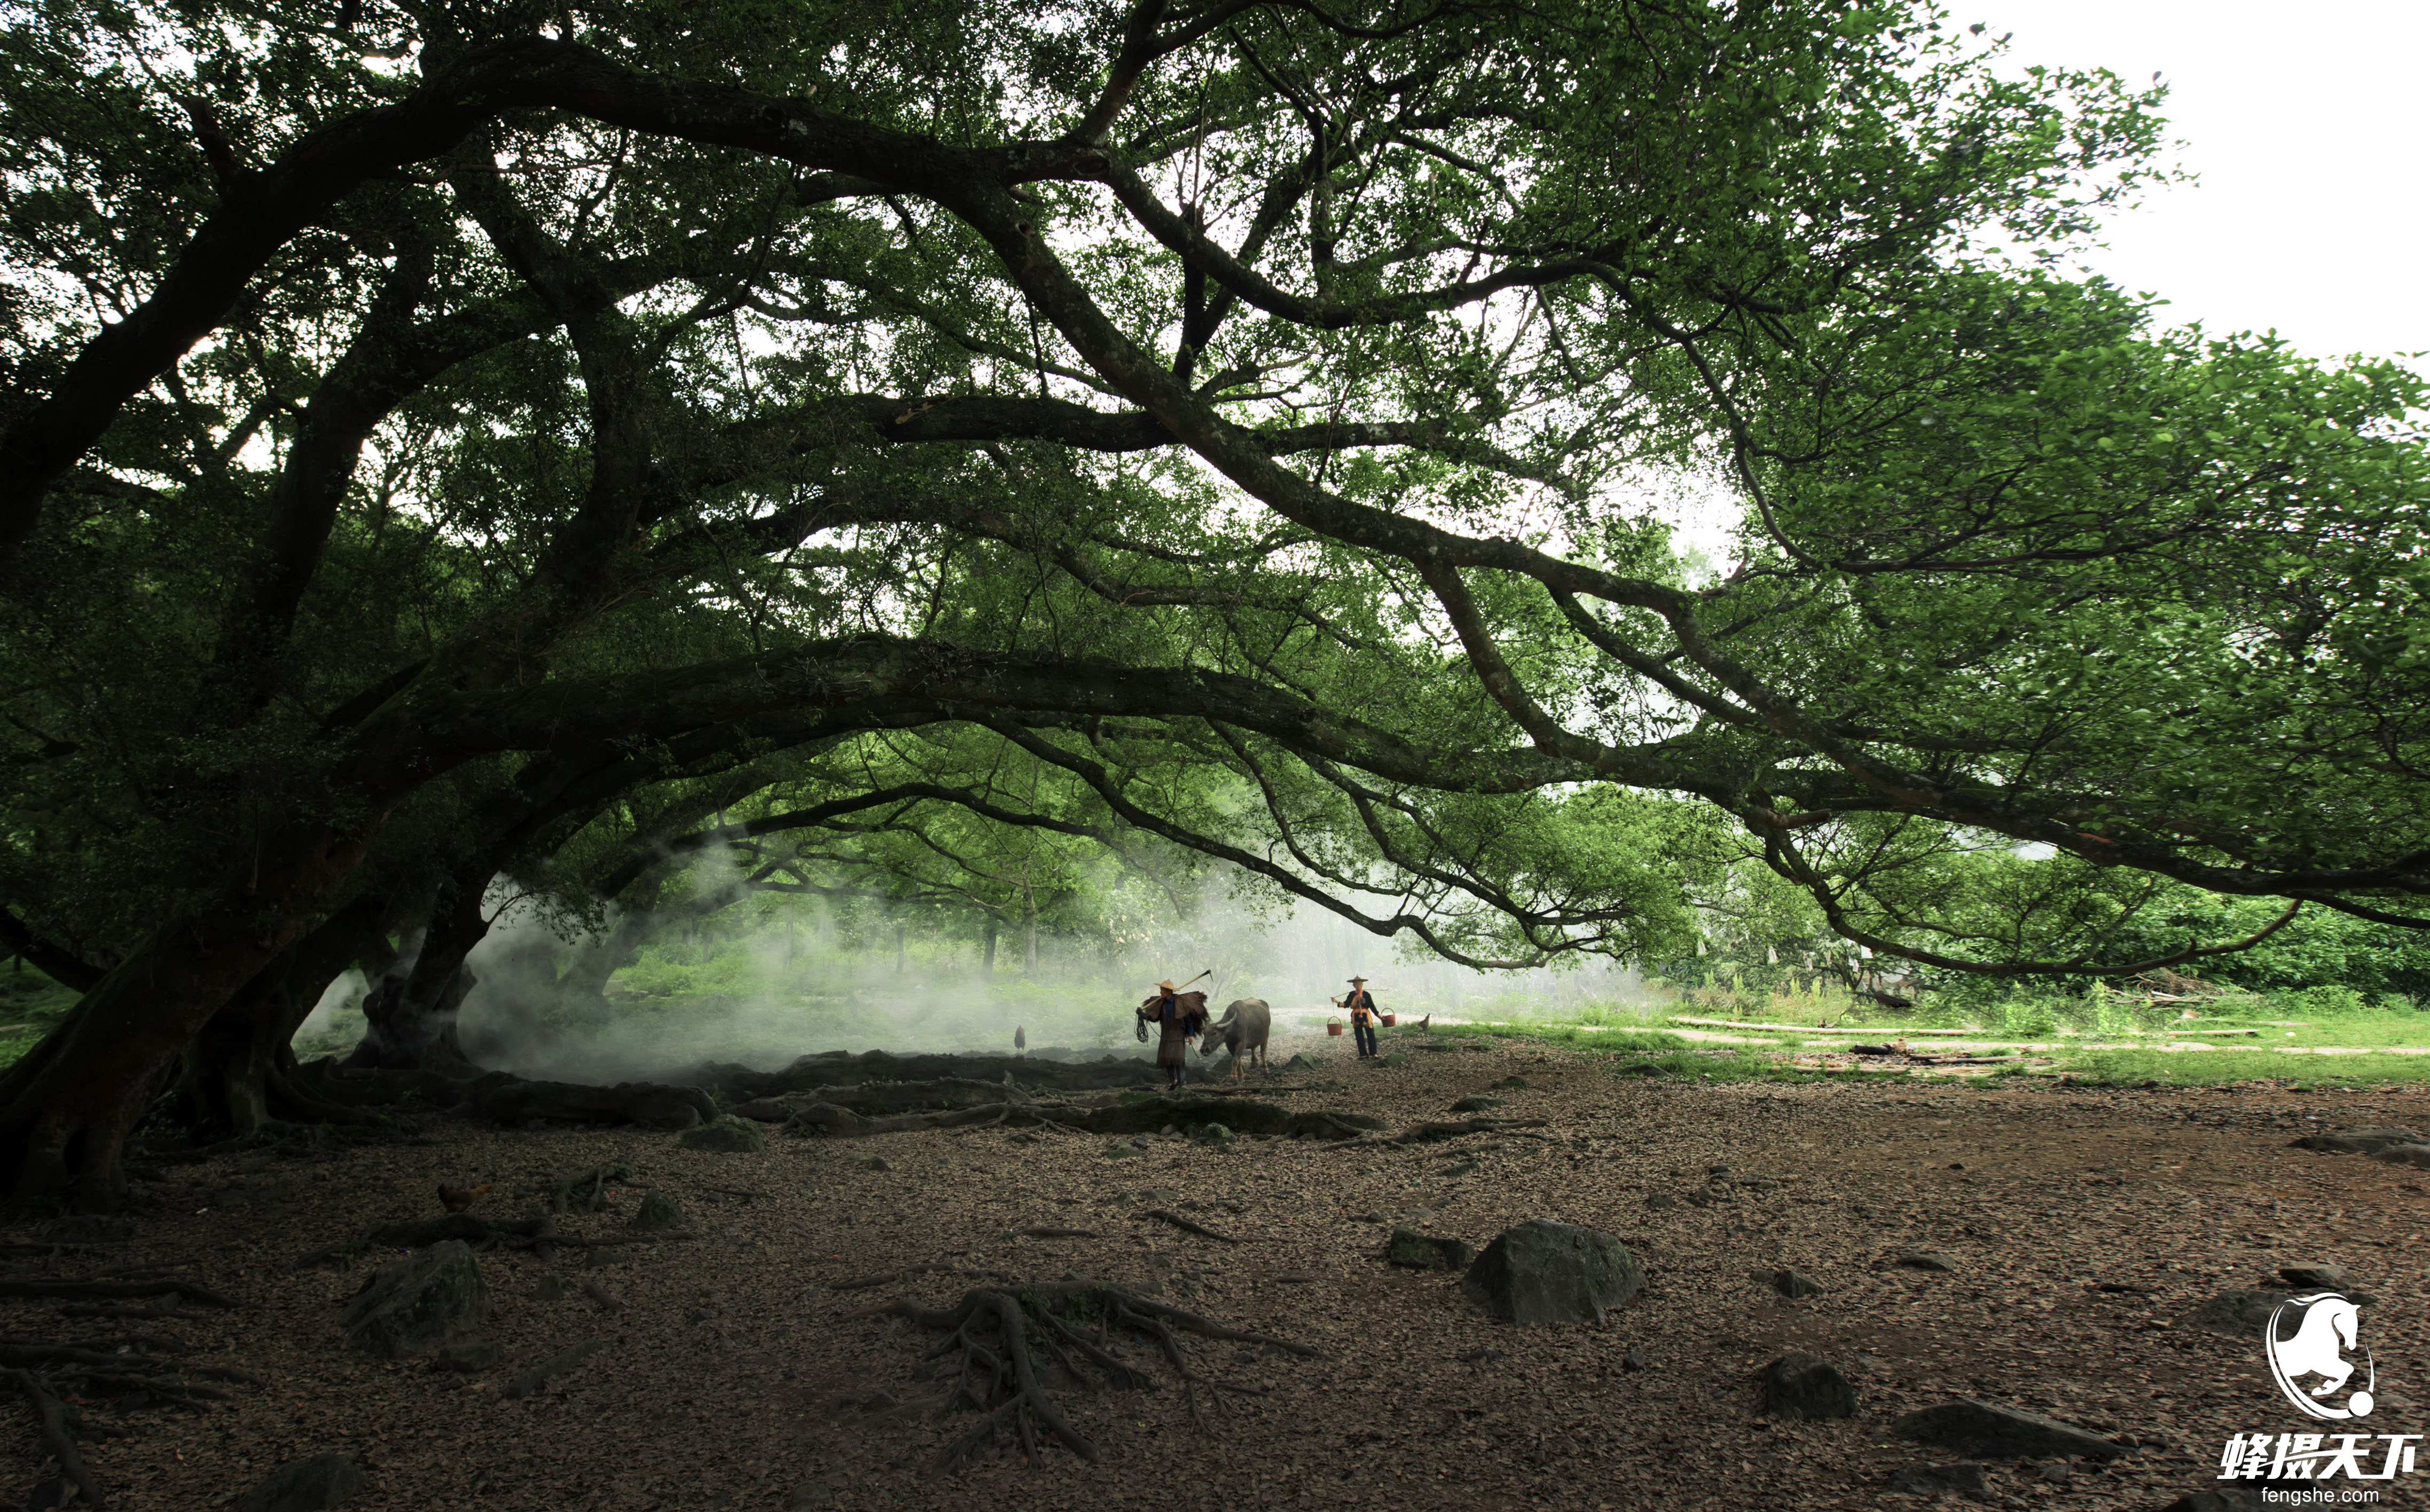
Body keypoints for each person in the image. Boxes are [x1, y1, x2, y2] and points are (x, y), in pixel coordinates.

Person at [1140, 978, 1208, 1089]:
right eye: (1160, 989)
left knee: (1178, 1060)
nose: (1160, 992)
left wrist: (1190, 1035)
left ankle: (1183, 1084)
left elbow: (1189, 1020)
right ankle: (1174, 1081)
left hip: (1178, 1034)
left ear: (1168, 991)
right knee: (1167, 1060)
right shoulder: (1160, 1003)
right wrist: (1143, 1016)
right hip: (1166, 1035)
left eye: (1162, 990)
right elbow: (1155, 1018)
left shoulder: (1180, 1002)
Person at [1336, 975, 1381, 1059]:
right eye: (1356, 985)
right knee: (1359, 1035)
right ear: (1354, 986)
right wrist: (1336, 1002)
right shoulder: (1352, 994)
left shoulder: (1367, 994)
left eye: (1360, 984)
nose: (1358, 986)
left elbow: (1372, 1006)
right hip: (1356, 1016)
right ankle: (1363, 1054)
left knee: (1371, 1034)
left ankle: (1374, 1053)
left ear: (1362, 985)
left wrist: (1379, 1016)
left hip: (1366, 1016)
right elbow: (1346, 1004)